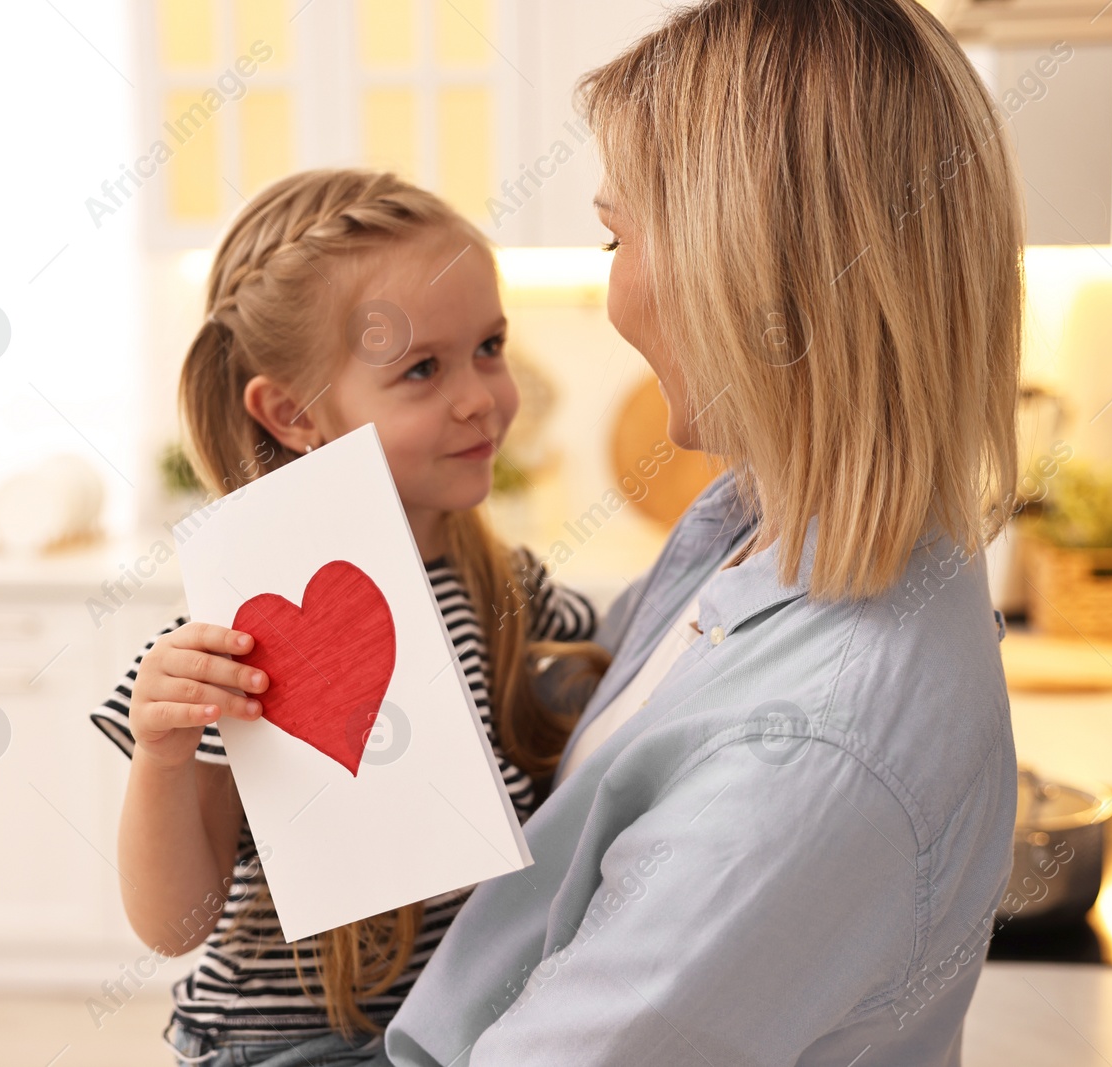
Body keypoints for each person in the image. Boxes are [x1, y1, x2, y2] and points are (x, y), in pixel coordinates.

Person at [374, 1, 1024, 1063]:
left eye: (617, 234)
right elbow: (626, 715)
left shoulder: (813, 749)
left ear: (745, 269)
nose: (612, 283)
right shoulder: (758, 526)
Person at [89, 168, 606, 1066]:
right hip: (287, 1048)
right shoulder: (232, 638)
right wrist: (163, 754)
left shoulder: (510, 587)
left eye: (490, 345)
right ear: (294, 414)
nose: (482, 394)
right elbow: (173, 924)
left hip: (476, 1034)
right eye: (421, 369)